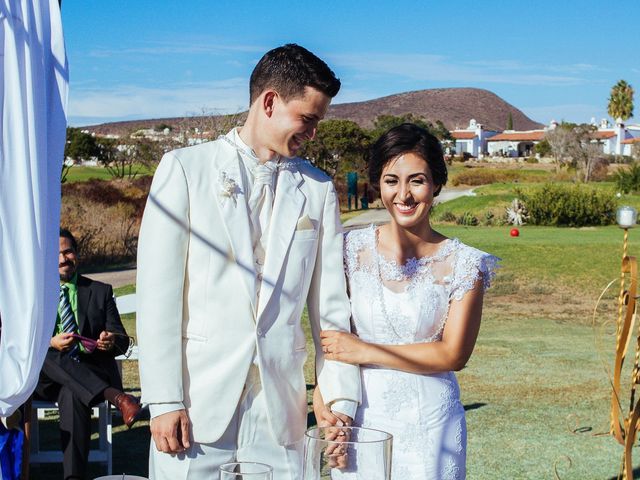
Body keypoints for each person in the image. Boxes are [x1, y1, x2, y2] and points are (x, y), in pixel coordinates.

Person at [136, 43, 360, 479]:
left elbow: (330, 309)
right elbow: (157, 297)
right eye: (308, 120)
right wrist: (164, 399)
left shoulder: (318, 189)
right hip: (195, 407)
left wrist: (338, 398)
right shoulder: (184, 169)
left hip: (280, 410)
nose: (313, 134)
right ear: (270, 102)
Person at [317, 123, 499, 479]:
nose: (404, 194)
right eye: (391, 181)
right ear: (377, 185)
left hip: (431, 425)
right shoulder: (347, 250)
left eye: (417, 180)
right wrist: (328, 405)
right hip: (362, 420)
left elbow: (453, 355)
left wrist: (365, 351)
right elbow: (333, 337)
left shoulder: (466, 263)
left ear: (436, 184)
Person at [35, 228, 141, 480]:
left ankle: (73, 477)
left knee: (72, 392)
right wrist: (50, 342)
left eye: (68, 251)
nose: (63, 259)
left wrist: (110, 340)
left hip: (88, 375)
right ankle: (118, 397)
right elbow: (21, 341)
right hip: (45, 379)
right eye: (56, 254)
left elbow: (122, 342)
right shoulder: (36, 294)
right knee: (48, 354)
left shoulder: (100, 291)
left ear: (77, 254)